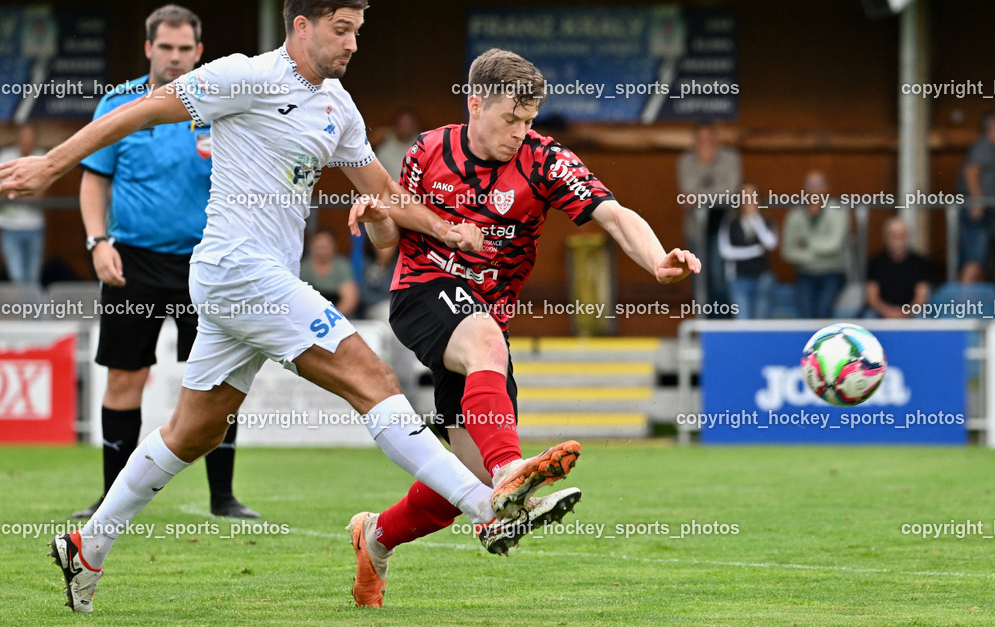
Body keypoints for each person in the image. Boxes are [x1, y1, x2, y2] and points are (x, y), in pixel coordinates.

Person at [0, 0, 578, 613]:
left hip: (246, 281)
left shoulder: (338, 106)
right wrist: (50, 162)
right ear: (302, 26)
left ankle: (86, 543)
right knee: (372, 379)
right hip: (239, 270)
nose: (354, 43)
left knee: (192, 431)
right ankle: (485, 507)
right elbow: (140, 111)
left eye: (359, 30)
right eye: (343, 30)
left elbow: (382, 192)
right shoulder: (246, 74)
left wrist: (450, 231)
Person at [345, 48, 702, 607]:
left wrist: (657, 260)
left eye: (530, 119)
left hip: (484, 320)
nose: (521, 131)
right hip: (422, 292)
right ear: (475, 103)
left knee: (462, 484)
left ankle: (376, 537)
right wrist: (376, 220)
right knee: (487, 346)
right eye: (511, 119)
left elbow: (613, 213)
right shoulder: (427, 151)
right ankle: (514, 471)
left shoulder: (543, 160)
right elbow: (391, 241)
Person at [70, 4, 258, 523]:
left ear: (199, 52)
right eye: (165, 48)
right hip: (132, 263)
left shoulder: (221, 103)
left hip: (210, 263)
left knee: (220, 382)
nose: (175, 58)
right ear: (148, 48)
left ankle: (224, 497)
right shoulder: (119, 103)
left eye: (184, 49)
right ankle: (112, 501)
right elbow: (94, 179)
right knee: (126, 378)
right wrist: (96, 241)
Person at [677, 120, 742, 315]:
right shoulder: (686, 160)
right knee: (699, 277)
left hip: (724, 227)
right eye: (700, 139)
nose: (704, 143)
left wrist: (699, 196)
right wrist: (704, 168)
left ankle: (722, 322)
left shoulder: (730, 158)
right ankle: (704, 322)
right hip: (697, 229)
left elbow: (730, 192)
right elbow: (687, 190)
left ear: (715, 139)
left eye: (708, 139)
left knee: (720, 276)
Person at [781, 171, 850, 319]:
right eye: (810, 185)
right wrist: (813, 254)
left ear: (826, 188)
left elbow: (835, 244)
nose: (814, 189)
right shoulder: (794, 215)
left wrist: (805, 244)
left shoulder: (838, 211)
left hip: (832, 272)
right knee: (806, 315)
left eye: (819, 185)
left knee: (823, 313)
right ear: (804, 188)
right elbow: (787, 251)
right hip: (805, 273)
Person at [0, 124, 46, 284]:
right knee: (17, 277)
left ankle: (32, 310)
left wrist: (12, 189)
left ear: (36, 141)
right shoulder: (5, 156)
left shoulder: (41, 157)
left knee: (33, 278)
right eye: (23, 140)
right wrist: (26, 190)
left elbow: (40, 194)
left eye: (30, 141)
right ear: (17, 139)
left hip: (35, 226)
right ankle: (22, 310)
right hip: (9, 226)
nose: (27, 145)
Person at [718, 182, 777, 319]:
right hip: (738, 276)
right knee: (742, 320)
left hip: (762, 276)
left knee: (761, 321)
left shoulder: (766, 221)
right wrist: (754, 251)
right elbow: (725, 251)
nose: (748, 201)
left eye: (752, 196)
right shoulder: (730, 221)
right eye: (745, 196)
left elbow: (771, 244)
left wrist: (756, 219)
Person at [864, 216, 930, 318]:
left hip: (910, 311)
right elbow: (872, 297)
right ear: (885, 237)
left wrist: (905, 312)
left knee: (922, 318)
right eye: (893, 235)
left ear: (907, 236)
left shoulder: (919, 262)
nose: (898, 239)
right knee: (868, 316)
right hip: (882, 311)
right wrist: (887, 312)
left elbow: (921, 297)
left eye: (901, 235)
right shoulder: (876, 262)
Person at [956, 111, 995, 282]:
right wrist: (977, 201)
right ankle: (963, 305)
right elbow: (971, 172)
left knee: (982, 261)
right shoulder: (984, 145)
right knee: (975, 259)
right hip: (976, 212)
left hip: (987, 212)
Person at [299, 228, 359, 316]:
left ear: (334, 246)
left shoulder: (341, 266)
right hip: (310, 315)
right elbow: (300, 299)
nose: (322, 251)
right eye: (318, 247)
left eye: (325, 247)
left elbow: (349, 299)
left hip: (339, 315)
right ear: (311, 247)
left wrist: (332, 317)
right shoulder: (303, 267)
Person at [373, 107, 421, 181]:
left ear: (416, 125)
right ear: (396, 125)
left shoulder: (425, 149)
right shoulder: (384, 151)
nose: (407, 128)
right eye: (404, 124)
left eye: (410, 125)